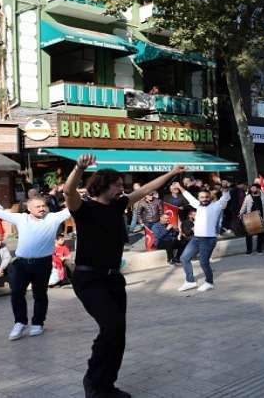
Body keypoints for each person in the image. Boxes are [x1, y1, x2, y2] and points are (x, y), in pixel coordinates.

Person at [63, 153, 184, 398]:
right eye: (117, 184)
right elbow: (68, 192)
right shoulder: (83, 208)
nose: (122, 188)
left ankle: (107, 385)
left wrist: (171, 173)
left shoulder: (118, 205)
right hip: (89, 278)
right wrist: (78, 168)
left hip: (113, 278)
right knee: (112, 326)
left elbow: (146, 189)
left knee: (118, 334)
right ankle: (93, 381)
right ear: (103, 185)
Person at [0, 193, 72, 341]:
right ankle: (20, 322)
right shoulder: (21, 218)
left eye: (43, 206)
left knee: (39, 294)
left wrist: (89, 196)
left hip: (43, 264)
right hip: (22, 263)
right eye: (38, 206)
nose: (42, 209)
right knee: (16, 293)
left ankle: (38, 323)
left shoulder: (53, 218)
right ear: (29, 208)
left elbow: (72, 208)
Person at [176, 182, 229, 292]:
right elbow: (188, 196)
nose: (204, 199)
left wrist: (224, 188)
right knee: (184, 258)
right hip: (196, 239)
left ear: (210, 197)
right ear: (199, 198)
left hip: (208, 239)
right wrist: (180, 187)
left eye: (206, 197)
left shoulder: (216, 206)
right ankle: (190, 282)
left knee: (203, 262)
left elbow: (226, 197)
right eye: (202, 197)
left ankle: (209, 282)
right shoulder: (197, 205)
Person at [239, 183, 264, 255]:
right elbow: (244, 206)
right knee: (248, 235)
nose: (252, 189)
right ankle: (249, 251)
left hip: (262, 217)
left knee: (261, 234)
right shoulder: (248, 197)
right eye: (251, 188)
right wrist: (240, 213)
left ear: (258, 189)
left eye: (254, 188)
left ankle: (259, 250)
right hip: (250, 218)